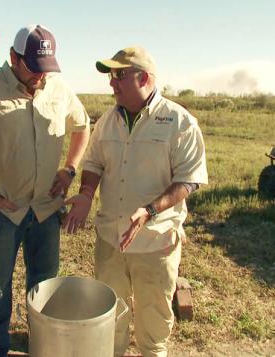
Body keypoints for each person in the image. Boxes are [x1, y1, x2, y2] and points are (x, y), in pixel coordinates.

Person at [63, 46, 208, 357]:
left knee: (153, 324)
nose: (111, 83)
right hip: (110, 239)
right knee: (109, 316)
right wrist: (87, 194)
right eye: (111, 76)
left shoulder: (179, 122)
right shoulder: (107, 121)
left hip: (155, 242)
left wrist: (150, 210)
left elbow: (189, 179)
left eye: (119, 75)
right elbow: (94, 163)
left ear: (144, 78)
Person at [0, 24, 90, 357]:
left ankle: (42, 345)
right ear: (13, 58)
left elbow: (82, 126)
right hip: (1, 211)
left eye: (46, 68)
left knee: (45, 285)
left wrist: (69, 169)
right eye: (33, 67)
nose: (40, 76)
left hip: (46, 210)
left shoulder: (58, 87)